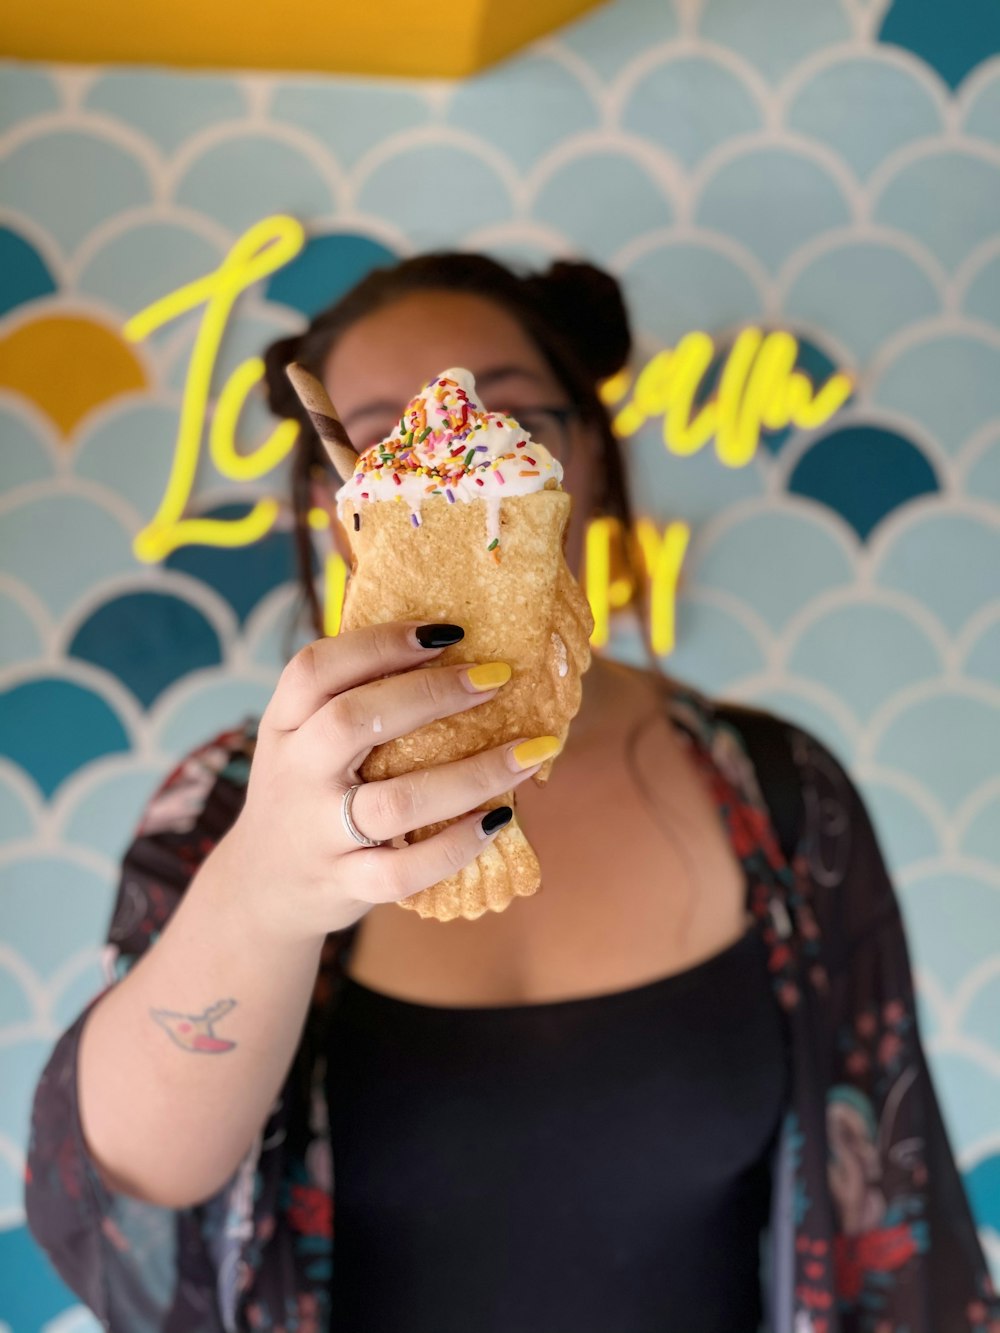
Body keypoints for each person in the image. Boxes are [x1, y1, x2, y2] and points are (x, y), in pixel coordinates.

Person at [25, 254, 997, 1333]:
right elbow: (117, 1191)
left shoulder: (780, 798)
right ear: (332, 503)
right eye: (382, 432)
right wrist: (261, 890)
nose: (447, 465)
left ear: (582, 458)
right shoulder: (229, 800)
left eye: (518, 415)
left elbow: (893, 1212)